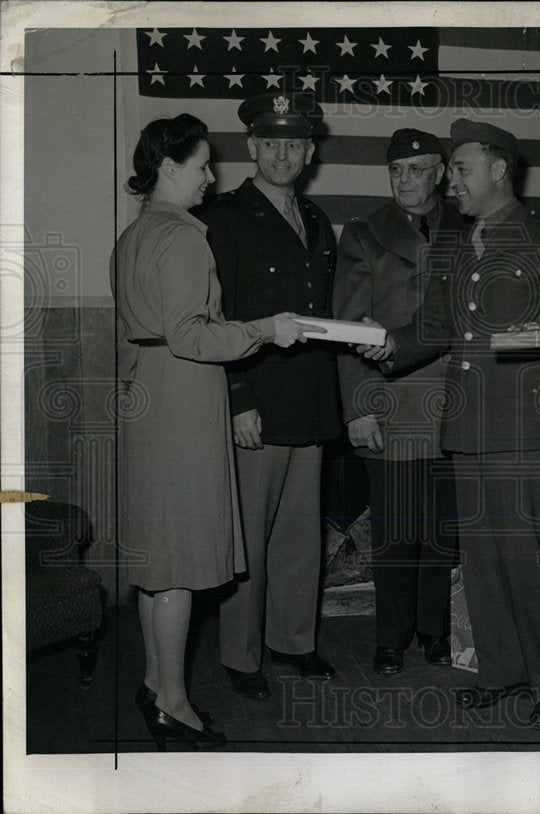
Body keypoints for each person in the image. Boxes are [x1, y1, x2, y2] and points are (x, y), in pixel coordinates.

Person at [359, 118, 540, 728]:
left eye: (461, 171)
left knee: (525, 554)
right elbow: (439, 326)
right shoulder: (454, 243)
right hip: (466, 422)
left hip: (527, 429)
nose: (451, 185)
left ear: (498, 170)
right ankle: (501, 673)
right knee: (484, 556)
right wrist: (390, 345)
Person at [113, 114, 306, 748]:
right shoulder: (184, 237)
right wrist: (263, 329)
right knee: (181, 564)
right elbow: (191, 334)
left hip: (150, 396)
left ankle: (153, 682)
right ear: (169, 168)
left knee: (157, 562)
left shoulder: (135, 234)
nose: (210, 177)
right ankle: (172, 702)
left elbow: (145, 333)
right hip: (184, 404)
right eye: (200, 166)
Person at [198, 92, 340, 700]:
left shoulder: (316, 221)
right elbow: (212, 315)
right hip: (256, 399)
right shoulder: (223, 218)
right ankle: (242, 654)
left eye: (295, 144)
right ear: (253, 148)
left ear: (309, 153)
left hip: (309, 397)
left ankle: (294, 641)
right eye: (271, 142)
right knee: (249, 536)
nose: (283, 153)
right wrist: (237, 398)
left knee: (300, 534)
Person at [333, 128, 463, 675]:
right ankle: (391, 637)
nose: (405, 180)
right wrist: (358, 407)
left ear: (440, 172)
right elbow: (346, 329)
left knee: (441, 531)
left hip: (457, 403)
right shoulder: (364, 234)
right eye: (396, 171)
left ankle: (436, 630)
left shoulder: (471, 225)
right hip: (392, 401)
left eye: (416, 169)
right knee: (394, 533)